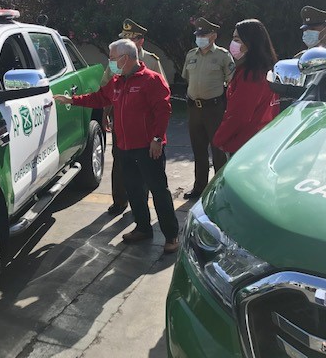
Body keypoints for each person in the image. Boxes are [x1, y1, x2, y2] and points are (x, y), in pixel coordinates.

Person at [54, 38, 180, 253]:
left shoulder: (151, 80)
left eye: (112, 58)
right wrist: (72, 100)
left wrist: (157, 139)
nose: (109, 62)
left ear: (125, 58)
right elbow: (99, 98)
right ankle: (143, 228)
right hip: (124, 147)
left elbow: (163, 111)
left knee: (159, 191)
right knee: (134, 190)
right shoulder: (117, 82)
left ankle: (171, 236)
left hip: (148, 148)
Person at [101, 18, 168, 216]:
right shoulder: (115, 61)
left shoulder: (152, 61)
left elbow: (163, 99)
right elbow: (106, 88)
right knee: (120, 161)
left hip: (143, 123)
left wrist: (157, 135)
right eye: (124, 38)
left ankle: (141, 205)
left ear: (141, 41)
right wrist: (105, 114)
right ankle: (120, 200)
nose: (127, 41)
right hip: (120, 117)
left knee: (146, 164)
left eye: (131, 39)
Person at [181, 17, 234, 201]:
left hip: (215, 109)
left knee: (218, 150)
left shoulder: (222, 55)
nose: (200, 38)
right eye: (198, 34)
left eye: (204, 34)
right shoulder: (191, 55)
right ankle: (199, 187)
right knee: (198, 150)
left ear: (213, 36)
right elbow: (187, 78)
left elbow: (232, 81)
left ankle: (220, 189)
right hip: (194, 109)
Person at [213, 19, 279, 154]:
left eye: (237, 39)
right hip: (262, 141)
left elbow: (239, 115)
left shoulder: (250, 75)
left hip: (245, 146)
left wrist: (219, 139)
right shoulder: (266, 70)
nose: (233, 44)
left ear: (251, 42)